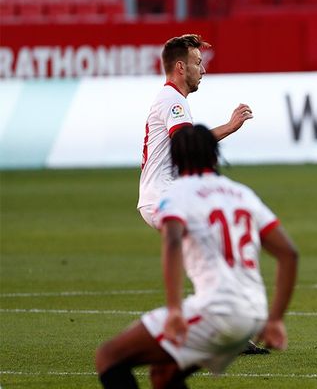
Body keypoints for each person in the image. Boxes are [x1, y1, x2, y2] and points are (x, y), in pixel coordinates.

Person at [96, 125, 299, 388]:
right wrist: (275, 320)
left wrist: (174, 310)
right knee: (164, 375)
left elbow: (171, 242)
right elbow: (289, 254)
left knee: (109, 357)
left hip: (215, 311)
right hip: (253, 316)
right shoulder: (242, 194)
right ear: (215, 156)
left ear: (175, 160)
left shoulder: (177, 194)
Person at [138, 33, 253, 230]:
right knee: (220, 229)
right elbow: (188, 143)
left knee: (207, 242)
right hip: (162, 196)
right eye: (198, 63)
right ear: (181, 67)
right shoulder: (173, 100)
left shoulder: (171, 97)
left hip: (163, 194)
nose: (203, 70)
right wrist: (229, 126)